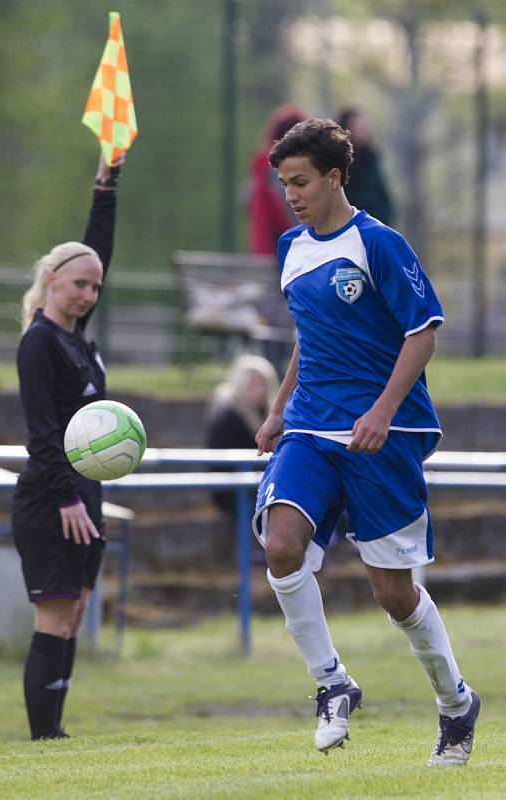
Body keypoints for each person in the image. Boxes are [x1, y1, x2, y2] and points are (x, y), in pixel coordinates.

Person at [253, 118, 480, 767]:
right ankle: (330, 683)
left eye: (300, 182)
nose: (290, 194)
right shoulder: (290, 247)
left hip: (384, 434)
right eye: (283, 183)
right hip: (308, 427)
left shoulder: (378, 244)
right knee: (280, 543)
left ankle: (454, 701)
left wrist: (381, 410)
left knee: (393, 595)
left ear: (333, 177)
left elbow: (423, 332)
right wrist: (275, 410)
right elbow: (308, 334)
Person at [12, 152, 124, 740]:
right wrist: (67, 500)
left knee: (76, 613)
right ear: (51, 280)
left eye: (94, 287)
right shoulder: (40, 344)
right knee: (54, 615)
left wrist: (107, 184)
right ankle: (42, 737)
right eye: (78, 284)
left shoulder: (77, 337)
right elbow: (41, 435)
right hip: (52, 498)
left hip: (84, 492)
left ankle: (57, 732)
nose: (87, 294)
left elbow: (96, 250)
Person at [206, 355, 279, 514]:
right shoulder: (229, 413)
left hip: (259, 484)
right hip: (232, 489)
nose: (260, 388)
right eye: (253, 382)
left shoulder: (267, 414)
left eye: (262, 383)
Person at [248, 104, 307, 256]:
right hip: (284, 247)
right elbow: (285, 207)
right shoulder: (280, 164)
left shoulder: (261, 161)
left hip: (262, 246)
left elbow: (245, 199)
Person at [336, 107, 394, 226]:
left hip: (376, 223)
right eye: (356, 127)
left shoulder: (371, 157)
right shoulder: (339, 162)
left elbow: (382, 193)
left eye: (363, 127)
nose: (361, 131)